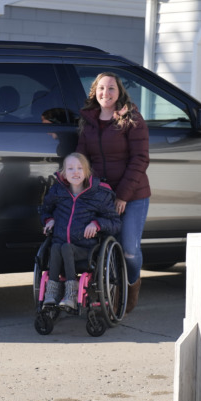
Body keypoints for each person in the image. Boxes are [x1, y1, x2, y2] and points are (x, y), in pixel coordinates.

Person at [76, 72, 150, 314]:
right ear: (94, 92)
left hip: (133, 195)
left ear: (119, 93)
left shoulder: (132, 119)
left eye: (111, 89)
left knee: (129, 249)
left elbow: (140, 159)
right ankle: (113, 291)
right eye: (101, 89)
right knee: (100, 246)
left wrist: (123, 196)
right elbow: (82, 160)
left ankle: (133, 284)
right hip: (102, 195)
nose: (105, 93)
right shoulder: (88, 122)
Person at [40, 152, 121, 311]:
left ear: (86, 172)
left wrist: (97, 224)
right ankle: (51, 293)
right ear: (63, 173)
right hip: (60, 248)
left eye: (79, 168)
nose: (75, 172)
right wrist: (49, 220)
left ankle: (71, 293)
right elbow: (45, 210)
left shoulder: (98, 195)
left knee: (65, 247)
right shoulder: (57, 192)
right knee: (57, 246)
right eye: (70, 168)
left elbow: (115, 222)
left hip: (86, 249)